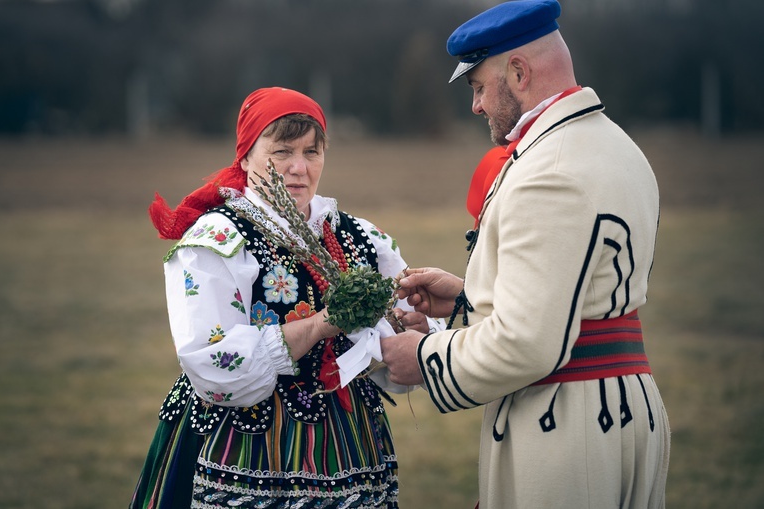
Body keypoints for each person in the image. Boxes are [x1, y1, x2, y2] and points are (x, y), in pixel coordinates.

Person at [380, 1, 670, 508]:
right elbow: (581, 294)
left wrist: (425, 358)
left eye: (478, 87)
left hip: (568, 425)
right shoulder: (614, 144)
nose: (475, 106)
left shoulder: (549, 170)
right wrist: (470, 299)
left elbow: (527, 344)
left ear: (517, 72)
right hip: (622, 407)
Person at [130, 86, 436, 509]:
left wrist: (407, 336)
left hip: (350, 440)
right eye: (281, 152)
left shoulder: (360, 237)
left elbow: (402, 340)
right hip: (245, 439)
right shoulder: (218, 240)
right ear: (246, 157)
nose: (298, 168)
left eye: (312, 152)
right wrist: (320, 325)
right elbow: (212, 360)